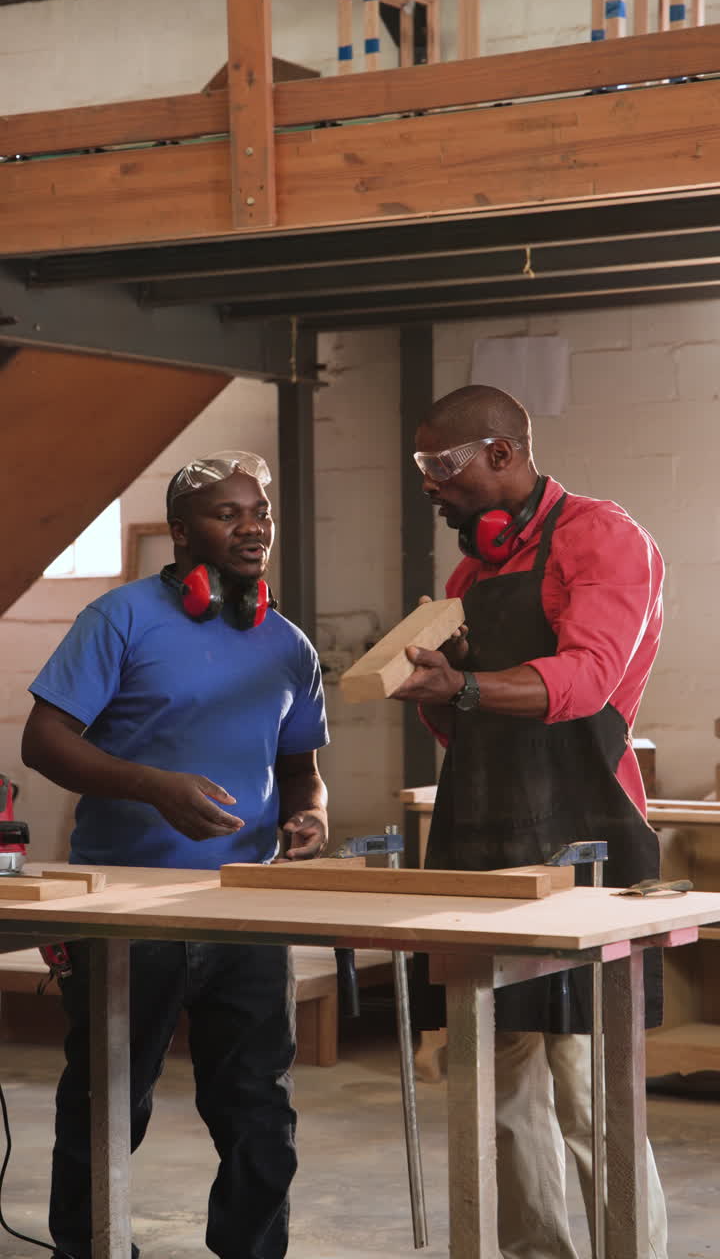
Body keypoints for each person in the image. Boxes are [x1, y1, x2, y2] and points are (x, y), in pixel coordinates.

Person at [21, 450, 329, 1259]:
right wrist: (154, 787)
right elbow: (43, 742)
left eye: (259, 512)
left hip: (244, 909)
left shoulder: (288, 645)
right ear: (182, 533)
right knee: (109, 1101)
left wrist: (309, 817)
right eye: (229, 513)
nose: (252, 526)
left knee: (259, 1108)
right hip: (127, 910)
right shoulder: (119, 619)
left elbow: (303, 773)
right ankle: (86, 1247)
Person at [392, 387, 668, 1259]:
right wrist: (449, 684)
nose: (431, 486)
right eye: (422, 469)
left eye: (444, 466)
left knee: (587, 1084)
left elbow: (585, 681)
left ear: (503, 453)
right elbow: (463, 726)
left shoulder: (603, 537)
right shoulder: (469, 578)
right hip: (484, 834)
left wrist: (467, 684)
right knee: (496, 1078)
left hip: (586, 836)